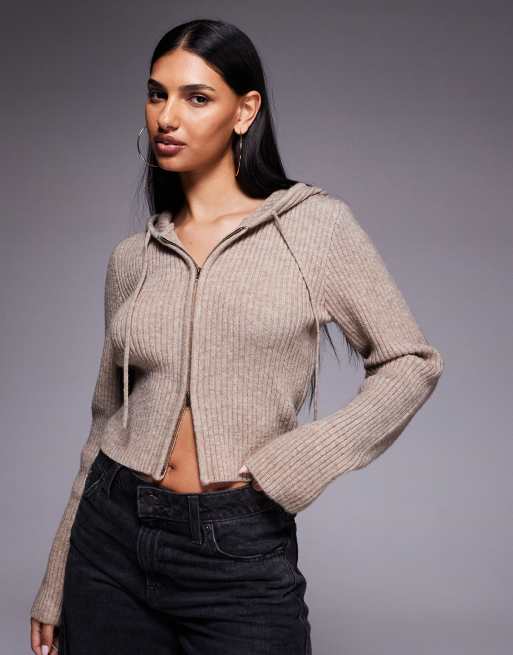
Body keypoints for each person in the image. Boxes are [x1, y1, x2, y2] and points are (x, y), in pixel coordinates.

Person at [30, 18, 444, 655]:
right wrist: (57, 577)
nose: (168, 117)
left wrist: (301, 459)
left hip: (237, 543)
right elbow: (105, 420)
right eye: (157, 94)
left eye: (196, 97)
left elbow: (410, 362)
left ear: (245, 111)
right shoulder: (132, 258)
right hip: (110, 540)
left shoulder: (314, 229)